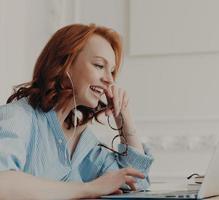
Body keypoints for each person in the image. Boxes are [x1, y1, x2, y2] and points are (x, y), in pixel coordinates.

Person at [0, 23, 153, 199]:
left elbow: (135, 182)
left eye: (112, 71)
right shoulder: (18, 117)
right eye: (99, 65)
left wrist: (124, 117)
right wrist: (89, 188)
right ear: (64, 63)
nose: (110, 80)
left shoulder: (84, 143)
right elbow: (2, 184)